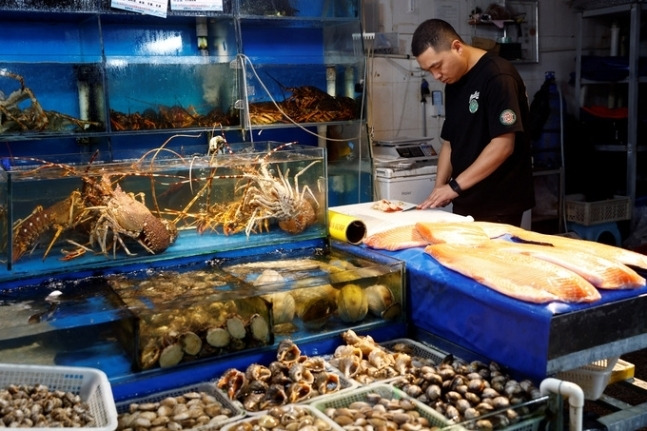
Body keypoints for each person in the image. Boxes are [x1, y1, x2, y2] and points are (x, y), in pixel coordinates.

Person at [411, 18, 535, 226]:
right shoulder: (454, 82)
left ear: (457, 47)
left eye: (437, 66)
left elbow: (503, 146)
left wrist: (453, 188)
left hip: (499, 205)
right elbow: (450, 143)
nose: (436, 76)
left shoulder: (498, 75)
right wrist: (440, 187)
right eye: (429, 71)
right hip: (466, 200)